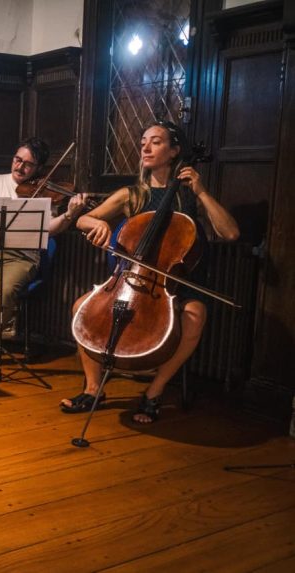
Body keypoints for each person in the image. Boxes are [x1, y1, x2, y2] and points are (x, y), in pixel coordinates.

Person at [60, 120, 239, 423]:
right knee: (81, 308)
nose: (145, 147)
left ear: (174, 151)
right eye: (143, 142)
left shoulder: (189, 195)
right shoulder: (133, 195)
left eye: (156, 142)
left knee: (195, 315)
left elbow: (230, 233)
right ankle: (92, 389)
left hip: (176, 284)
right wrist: (97, 222)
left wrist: (202, 192)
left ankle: (154, 392)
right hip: (130, 280)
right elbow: (82, 221)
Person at [0, 137, 87, 365]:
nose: (20, 167)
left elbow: (49, 229)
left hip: (24, 255)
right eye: (17, 160)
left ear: (38, 168)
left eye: (28, 164)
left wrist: (69, 215)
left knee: (5, 292)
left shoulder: (45, 192)